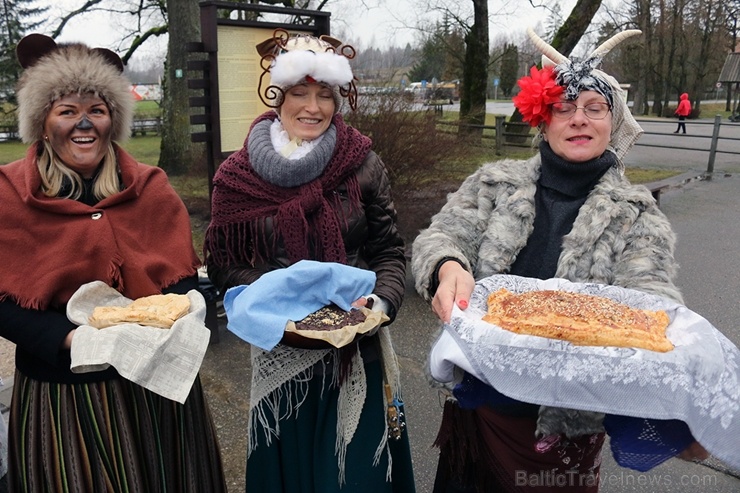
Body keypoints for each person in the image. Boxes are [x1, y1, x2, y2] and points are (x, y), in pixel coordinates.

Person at [411, 28, 708, 493]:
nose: (579, 119)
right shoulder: (493, 183)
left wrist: (676, 397)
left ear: (615, 123)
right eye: (564, 108)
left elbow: (651, 302)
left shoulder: (636, 214)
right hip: (483, 410)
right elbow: (442, 236)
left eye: (595, 108)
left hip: (565, 432)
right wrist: (448, 265)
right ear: (543, 119)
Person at [0, 34, 226, 492]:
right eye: (67, 111)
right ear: (42, 123)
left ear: (112, 120)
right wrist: (68, 340)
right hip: (64, 396)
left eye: (97, 111)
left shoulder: (151, 187)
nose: (84, 124)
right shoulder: (7, 195)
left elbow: (180, 278)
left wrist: (183, 309)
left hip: (156, 389)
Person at [203, 30, 415, 492]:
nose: (313, 107)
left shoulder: (363, 164)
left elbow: (389, 250)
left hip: (358, 348)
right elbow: (223, 265)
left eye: (325, 95)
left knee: (357, 473)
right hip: (284, 354)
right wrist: (280, 301)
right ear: (279, 94)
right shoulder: (235, 177)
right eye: (300, 92)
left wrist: (381, 304)